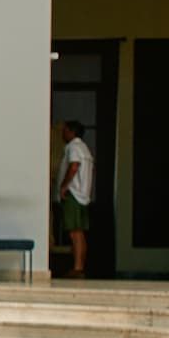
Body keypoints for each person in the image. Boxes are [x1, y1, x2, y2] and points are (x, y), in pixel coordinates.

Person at [56, 120, 95, 280]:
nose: (63, 134)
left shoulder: (74, 147)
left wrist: (64, 185)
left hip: (74, 193)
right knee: (79, 232)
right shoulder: (85, 148)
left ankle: (77, 267)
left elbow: (74, 166)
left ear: (71, 132)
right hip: (83, 194)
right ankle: (79, 266)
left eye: (65, 130)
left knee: (74, 232)